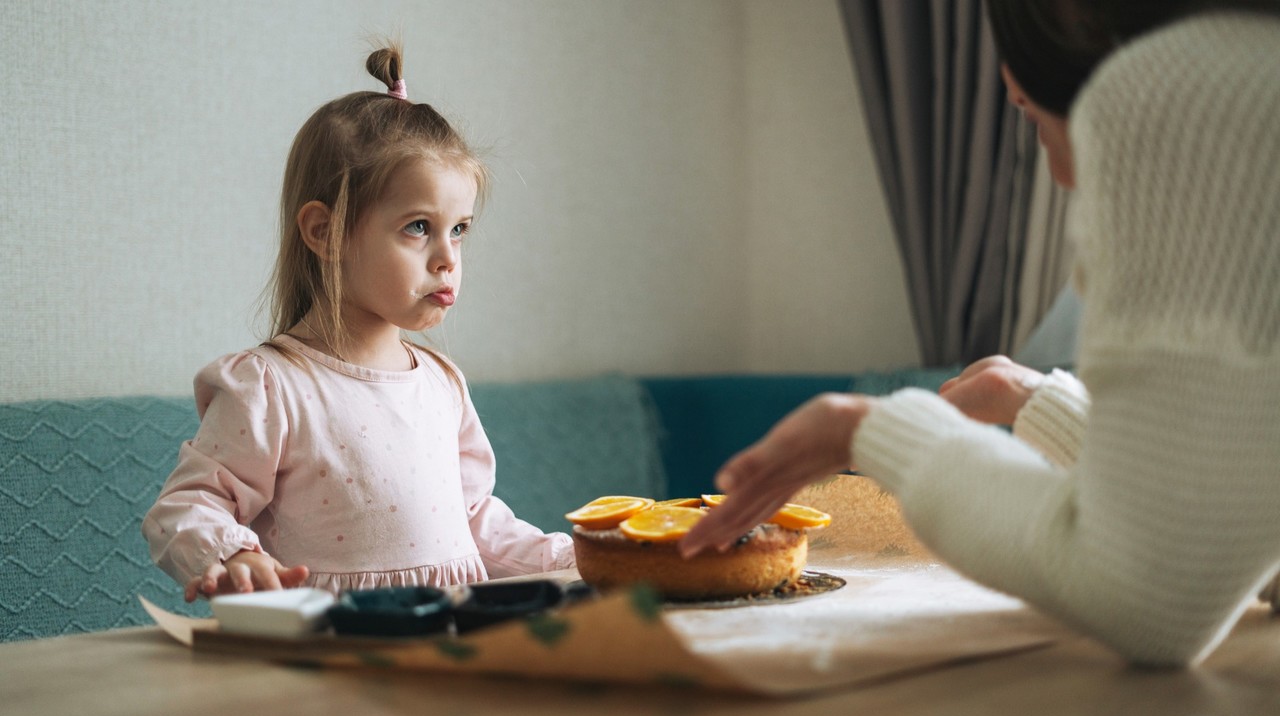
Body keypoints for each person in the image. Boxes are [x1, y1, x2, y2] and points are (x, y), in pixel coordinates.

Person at [681, 0, 1280, 666]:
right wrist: (1041, 406)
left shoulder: (1187, 85)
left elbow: (1150, 597)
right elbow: (1244, 531)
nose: (1065, 177)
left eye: (1031, 115)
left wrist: (876, 430)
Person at [143, 45, 574, 602]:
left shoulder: (442, 383)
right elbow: (183, 509)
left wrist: (576, 557)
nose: (448, 258)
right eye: (418, 226)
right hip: (331, 657)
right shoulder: (272, 387)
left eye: (460, 229)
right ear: (324, 231)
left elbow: (475, 521)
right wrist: (234, 554)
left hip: (446, 650)